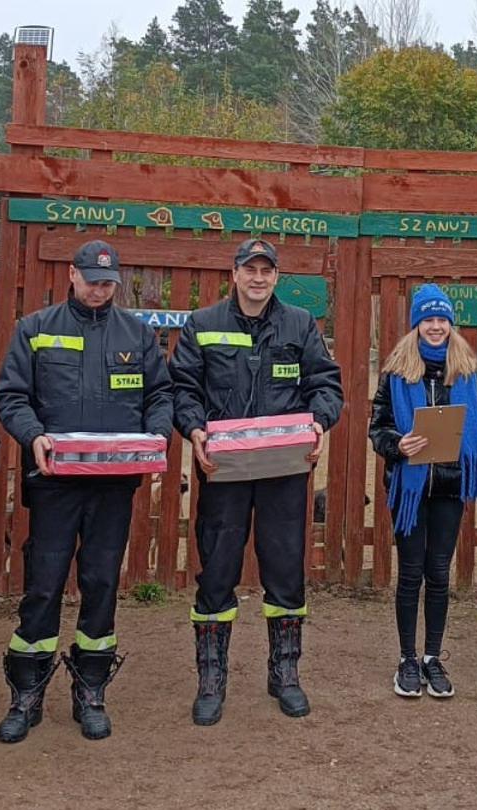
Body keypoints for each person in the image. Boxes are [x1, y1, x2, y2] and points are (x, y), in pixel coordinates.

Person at [0, 239, 173, 742]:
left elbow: (160, 394)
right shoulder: (36, 329)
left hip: (113, 487)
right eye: (92, 280)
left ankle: (90, 689)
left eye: (108, 282)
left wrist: (158, 434)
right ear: (72, 275)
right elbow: (11, 397)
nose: (99, 290)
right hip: (54, 485)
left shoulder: (137, 334)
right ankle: (26, 693)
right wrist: (33, 435)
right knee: (44, 584)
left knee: (101, 582)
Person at [170, 238, 343, 725]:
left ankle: (285, 673)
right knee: (216, 572)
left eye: (267, 271)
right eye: (251, 269)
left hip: (283, 472)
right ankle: (211, 679)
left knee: (286, 570)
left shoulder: (299, 325)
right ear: (235, 273)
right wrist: (194, 429)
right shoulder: (203, 324)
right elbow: (183, 388)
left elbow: (326, 384)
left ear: (276, 277)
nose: (258, 278)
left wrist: (318, 422)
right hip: (223, 472)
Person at [369, 284, 477, 700]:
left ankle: (432, 657)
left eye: (442, 319)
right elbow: (378, 427)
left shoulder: (469, 373)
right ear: (417, 324)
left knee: (439, 574)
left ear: (450, 324)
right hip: (410, 488)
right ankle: (407, 658)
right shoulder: (396, 373)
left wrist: (473, 448)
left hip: (450, 488)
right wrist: (397, 444)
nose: (436, 326)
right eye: (428, 319)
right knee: (410, 573)